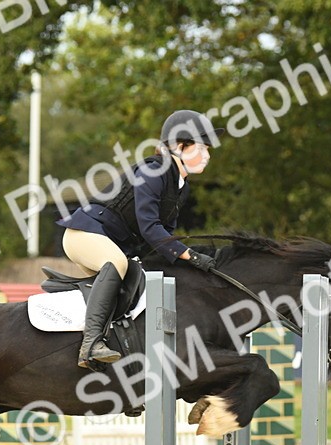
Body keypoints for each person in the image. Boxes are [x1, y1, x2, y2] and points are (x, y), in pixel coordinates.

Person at [57, 109, 223, 368]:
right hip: (84, 235)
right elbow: (150, 228)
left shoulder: (180, 186)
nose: (208, 155)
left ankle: (127, 369)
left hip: (109, 242)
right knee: (119, 264)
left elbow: (165, 236)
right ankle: (90, 345)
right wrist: (190, 255)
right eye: (202, 148)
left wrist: (190, 259)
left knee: (136, 287)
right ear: (180, 147)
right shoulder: (153, 172)